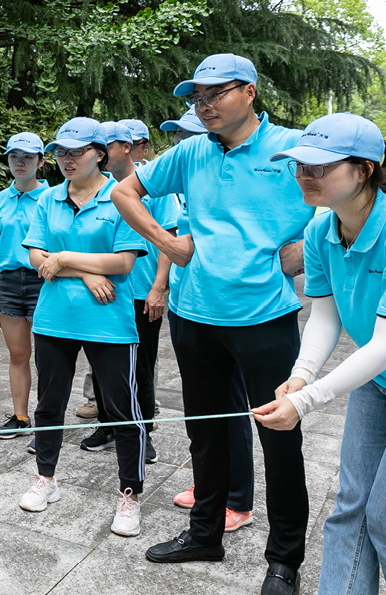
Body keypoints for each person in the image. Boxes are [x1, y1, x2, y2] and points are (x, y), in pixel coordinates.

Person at [111, 53, 314, 594]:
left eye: (215, 94)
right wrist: (168, 242)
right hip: (194, 315)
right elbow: (123, 192)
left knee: (279, 439)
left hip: (265, 318)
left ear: (249, 91)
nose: (203, 106)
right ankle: (205, 534)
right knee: (205, 434)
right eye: (196, 98)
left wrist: (307, 252)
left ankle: (284, 560)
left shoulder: (292, 147)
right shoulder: (191, 151)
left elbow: (349, 196)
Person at [252, 113, 386, 595]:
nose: (304, 176)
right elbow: (326, 315)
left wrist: (307, 400)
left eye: (318, 166)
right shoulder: (319, 232)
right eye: (299, 166)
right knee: (349, 509)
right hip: (380, 384)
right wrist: (302, 374)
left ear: (364, 169)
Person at [19, 117, 148, 538]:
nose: (66, 159)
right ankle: (45, 478)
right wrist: (85, 272)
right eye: (60, 152)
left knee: (122, 410)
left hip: (108, 321)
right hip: (54, 318)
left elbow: (123, 262)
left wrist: (66, 258)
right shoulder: (49, 198)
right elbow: (37, 258)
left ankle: (129, 495)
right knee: (49, 404)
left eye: (77, 152)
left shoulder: (122, 196)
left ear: (100, 153)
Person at [160, 108, 256, 532]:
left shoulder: (226, 187)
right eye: (177, 137)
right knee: (202, 409)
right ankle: (210, 485)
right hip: (188, 305)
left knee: (231, 407)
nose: (179, 145)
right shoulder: (185, 188)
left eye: (187, 137)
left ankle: (237, 500)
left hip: (227, 311)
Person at [77, 122, 178, 466]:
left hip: (142, 292)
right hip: (104, 290)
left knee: (141, 366)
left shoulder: (155, 188)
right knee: (100, 364)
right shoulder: (96, 187)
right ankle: (108, 426)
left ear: (127, 146)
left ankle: (141, 433)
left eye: (108, 146)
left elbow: (170, 239)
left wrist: (159, 287)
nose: (102, 153)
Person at [0, 132, 47, 440]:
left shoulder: (52, 197)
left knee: (49, 358)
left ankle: (48, 422)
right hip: (9, 282)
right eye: (14, 157)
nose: (20, 163)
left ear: (41, 161)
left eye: (28, 157)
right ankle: (21, 418)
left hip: (44, 280)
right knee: (18, 355)